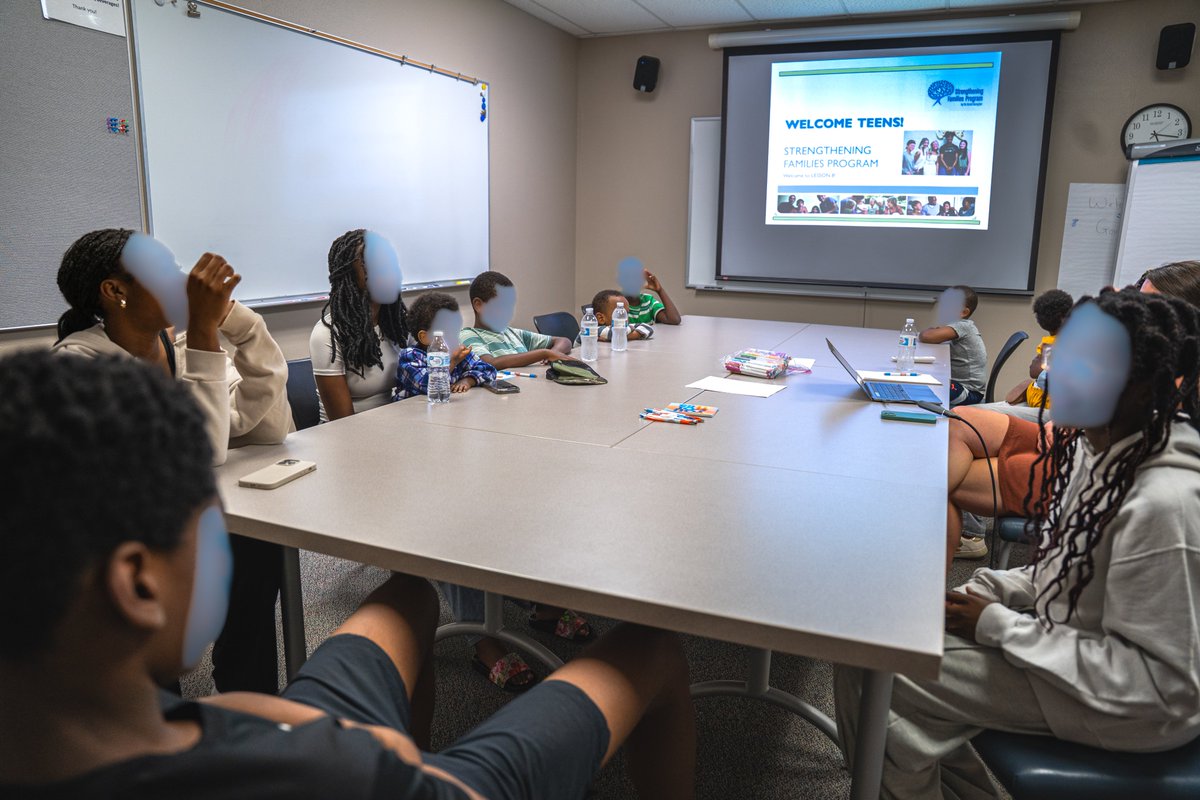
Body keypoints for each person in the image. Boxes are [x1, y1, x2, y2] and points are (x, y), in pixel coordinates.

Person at [0, 351, 698, 800]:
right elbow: (382, 771)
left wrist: (255, 712)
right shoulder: (328, 774)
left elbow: (183, 723)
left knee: (408, 595)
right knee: (651, 645)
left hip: (241, 735)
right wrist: (390, 760)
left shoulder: (57, 714)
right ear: (139, 584)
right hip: (409, 783)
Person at [836, 288, 1200, 800]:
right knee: (869, 640)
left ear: (1147, 387)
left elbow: (1157, 688)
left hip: (1129, 709)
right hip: (1070, 644)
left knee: (882, 670)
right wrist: (984, 590)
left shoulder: (1167, 504)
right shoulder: (1100, 447)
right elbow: (1066, 567)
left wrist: (995, 625)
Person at [51, 227, 291, 695]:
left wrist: (237, 322)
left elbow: (263, 427)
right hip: (113, 550)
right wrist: (203, 331)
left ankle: (246, 691)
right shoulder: (80, 365)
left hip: (179, 525)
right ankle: (158, 705)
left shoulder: (174, 347)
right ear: (115, 291)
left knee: (258, 547)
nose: (182, 282)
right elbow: (203, 453)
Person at [945, 260, 1200, 566]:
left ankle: (944, 554)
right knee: (961, 422)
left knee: (950, 479)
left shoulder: (1182, 379)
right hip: (1069, 441)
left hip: (1092, 469)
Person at [310, 229, 409, 423]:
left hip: (396, 425)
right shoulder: (326, 335)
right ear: (348, 275)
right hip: (346, 434)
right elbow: (343, 423)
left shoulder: (398, 325)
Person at [460, 271, 574, 370]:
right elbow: (489, 363)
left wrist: (553, 353)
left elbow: (564, 341)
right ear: (478, 305)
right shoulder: (468, 335)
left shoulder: (512, 333)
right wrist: (544, 353)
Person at [395, 293, 496, 399]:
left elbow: (488, 370)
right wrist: (452, 362)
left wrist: (468, 380)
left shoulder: (456, 352)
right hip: (413, 408)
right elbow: (427, 386)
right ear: (425, 337)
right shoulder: (411, 356)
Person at [1004, 289, 1074, 411]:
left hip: (1044, 402)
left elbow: (1035, 371)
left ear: (1039, 321)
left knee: (1034, 381)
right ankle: (1030, 387)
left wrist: (1036, 364)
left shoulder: (1048, 344)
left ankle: (1029, 388)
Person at [919, 285, 987, 408]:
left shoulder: (963, 326)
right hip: (963, 387)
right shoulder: (958, 326)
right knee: (926, 384)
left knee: (929, 387)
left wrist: (930, 331)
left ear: (964, 312)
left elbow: (927, 336)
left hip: (969, 393)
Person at [585, 289, 655, 342]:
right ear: (601, 318)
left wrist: (626, 335)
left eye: (626, 313)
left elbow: (647, 328)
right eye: (620, 314)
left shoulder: (624, 327)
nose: (626, 318)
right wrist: (635, 332)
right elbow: (613, 333)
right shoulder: (594, 330)